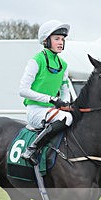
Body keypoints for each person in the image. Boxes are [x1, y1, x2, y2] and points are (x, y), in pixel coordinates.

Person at [19, 20, 75, 164]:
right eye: (56, 39)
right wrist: (51, 99)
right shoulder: (36, 61)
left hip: (51, 111)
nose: (61, 42)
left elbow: (64, 90)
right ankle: (32, 149)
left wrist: (65, 103)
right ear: (45, 41)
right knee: (66, 119)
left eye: (62, 39)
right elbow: (23, 90)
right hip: (35, 111)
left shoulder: (63, 65)